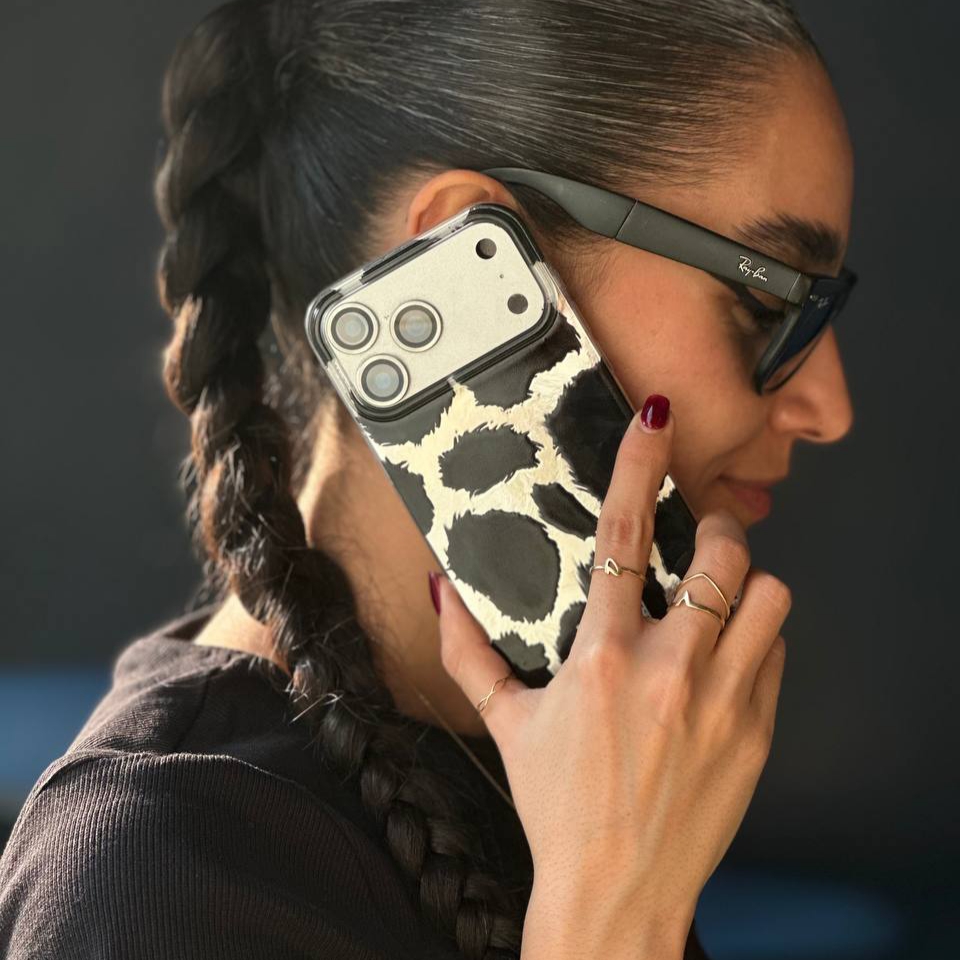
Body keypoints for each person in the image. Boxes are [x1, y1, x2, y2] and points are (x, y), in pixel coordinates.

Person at [0, 0, 856, 957]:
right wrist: (615, 913)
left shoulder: (586, 758)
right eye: (767, 300)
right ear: (453, 263)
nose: (830, 406)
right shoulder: (147, 876)